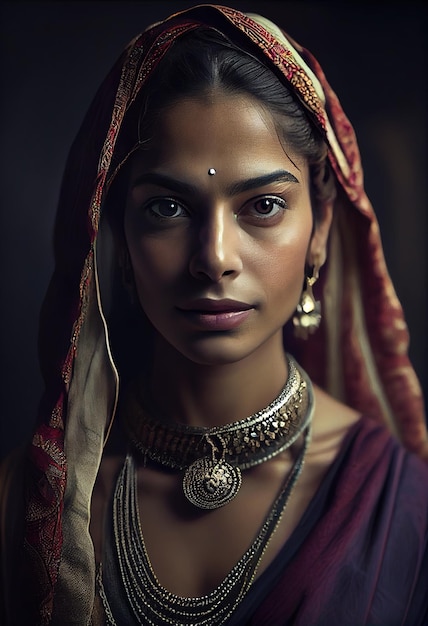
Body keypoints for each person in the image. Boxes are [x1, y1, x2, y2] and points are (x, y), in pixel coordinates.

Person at [1, 4, 427, 625]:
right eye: (167, 209)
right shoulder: (29, 507)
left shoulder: (405, 508)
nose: (214, 259)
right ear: (114, 234)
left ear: (321, 231)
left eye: (263, 205)